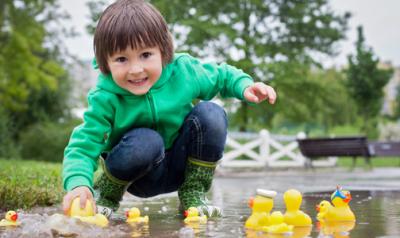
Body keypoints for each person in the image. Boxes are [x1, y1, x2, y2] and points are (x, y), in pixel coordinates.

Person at [62, 0, 276, 218]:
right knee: (146, 140)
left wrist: (245, 85)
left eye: (145, 55)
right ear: (105, 63)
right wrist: (78, 184)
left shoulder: (183, 71)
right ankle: (106, 194)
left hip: (179, 166)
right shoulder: (105, 96)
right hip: (137, 174)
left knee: (212, 113)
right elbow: (83, 145)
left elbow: (221, 76)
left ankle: (193, 192)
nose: (136, 69)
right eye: (121, 59)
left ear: (163, 51)